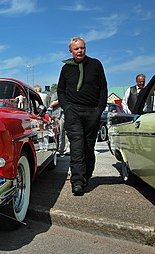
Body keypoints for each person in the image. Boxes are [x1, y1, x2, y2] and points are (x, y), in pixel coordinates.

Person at [57, 37, 107, 196]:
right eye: (76, 49)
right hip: (74, 112)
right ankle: (77, 181)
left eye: (82, 48)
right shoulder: (66, 68)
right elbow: (60, 91)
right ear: (71, 51)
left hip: (92, 112)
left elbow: (103, 89)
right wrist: (67, 107)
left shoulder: (96, 64)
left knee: (88, 147)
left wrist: (99, 109)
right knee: (77, 147)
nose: (80, 51)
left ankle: (86, 176)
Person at [49, 92, 68, 156]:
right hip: (58, 115)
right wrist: (61, 99)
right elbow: (51, 104)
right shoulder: (55, 94)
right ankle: (59, 149)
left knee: (67, 133)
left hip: (67, 114)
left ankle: (65, 149)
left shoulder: (69, 92)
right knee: (59, 133)